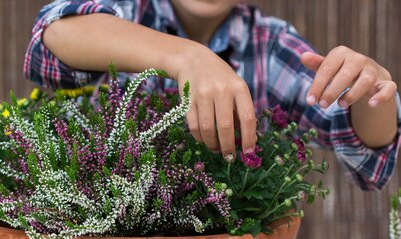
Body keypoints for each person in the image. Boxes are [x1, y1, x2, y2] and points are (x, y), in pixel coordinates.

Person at [23, 0, 401, 190]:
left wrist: (370, 90)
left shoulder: (269, 47)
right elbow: (51, 36)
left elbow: (366, 148)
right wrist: (186, 55)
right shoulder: (125, 11)